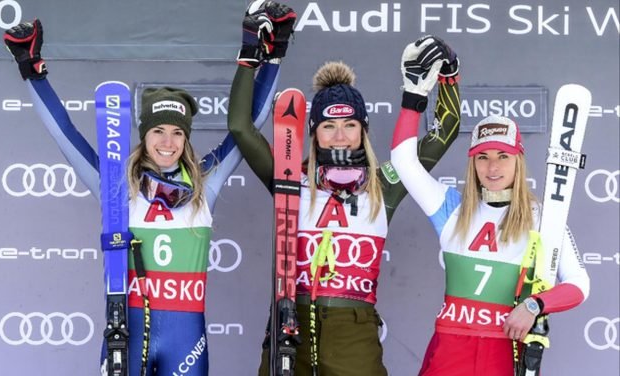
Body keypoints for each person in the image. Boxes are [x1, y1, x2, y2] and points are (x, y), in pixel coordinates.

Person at [3, 8, 292, 375]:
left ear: (186, 137)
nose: (167, 142)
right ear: (144, 135)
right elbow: (67, 138)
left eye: (177, 132)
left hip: (186, 341)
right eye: (158, 131)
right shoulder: (117, 185)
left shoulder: (206, 181)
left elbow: (250, 124)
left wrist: (272, 53)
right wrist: (31, 69)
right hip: (127, 330)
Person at [228, 28, 462, 374]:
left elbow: (447, 130)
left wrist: (448, 75)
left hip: (354, 333)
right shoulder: (290, 178)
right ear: (313, 133)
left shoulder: (386, 184)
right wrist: (252, 54)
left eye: (350, 124)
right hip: (290, 326)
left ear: (363, 130)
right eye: (329, 125)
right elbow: (240, 127)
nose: (340, 135)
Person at [390, 39, 591, 375]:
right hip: (449, 349)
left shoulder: (543, 218)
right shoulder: (452, 209)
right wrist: (413, 99)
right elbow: (404, 162)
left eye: (502, 157)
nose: (493, 168)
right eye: (482, 157)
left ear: (518, 161)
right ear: (473, 163)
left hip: (504, 350)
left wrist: (535, 304)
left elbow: (579, 283)